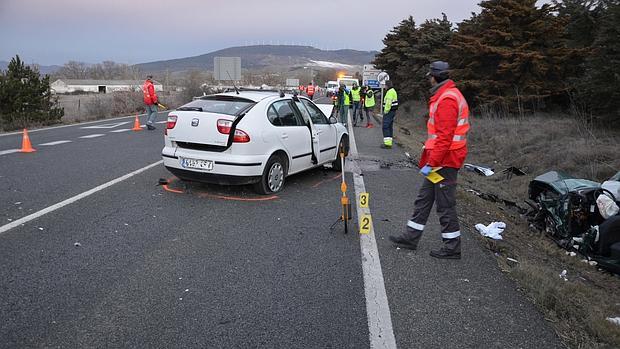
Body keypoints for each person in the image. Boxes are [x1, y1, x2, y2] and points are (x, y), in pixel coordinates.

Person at [389, 61, 470, 259]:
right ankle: (410, 237)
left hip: (445, 161)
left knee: (445, 205)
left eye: (429, 76)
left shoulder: (447, 99)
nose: (428, 80)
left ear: (434, 77)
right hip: (441, 160)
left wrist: (432, 163)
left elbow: (444, 137)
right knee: (424, 200)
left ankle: (452, 248)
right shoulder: (445, 95)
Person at [381, 80, 398, 148]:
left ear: (387, 85)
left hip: (389, 111)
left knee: (385, 126)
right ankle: (389, 142)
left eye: (385, 85)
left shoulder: (390, 92)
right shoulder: (393, 91)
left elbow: (388, 102)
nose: (384, 87)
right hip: (392, 111)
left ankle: (387, 144)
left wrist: (385, 111)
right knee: (389, 126)